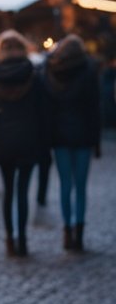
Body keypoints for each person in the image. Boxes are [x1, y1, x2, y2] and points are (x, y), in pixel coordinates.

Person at [0, 30, 49, 258]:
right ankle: (23, 240)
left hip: (2, 142)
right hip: (29, 140)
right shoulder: (35, 75)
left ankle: (10, 239)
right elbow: (43, 113)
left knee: (8, 192)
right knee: (23, 191)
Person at [44, 34, 102, 251]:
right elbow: (94, 109)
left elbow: (47, 109)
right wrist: (96, 142)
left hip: (60, 137)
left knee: (65, 186)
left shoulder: (50, 71)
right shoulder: (88, 70)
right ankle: (79, 231)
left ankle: (67, 230)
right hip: (83, 136)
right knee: (81, 187)